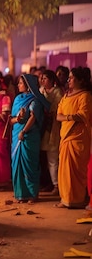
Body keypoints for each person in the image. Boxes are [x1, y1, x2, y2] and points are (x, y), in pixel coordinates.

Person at [55, 67, 92, 209]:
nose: (68, 80)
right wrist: (70, 117)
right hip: (65, 136)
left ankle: (78, 199)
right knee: (64, 170)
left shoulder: (85, 96)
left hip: (78, 137)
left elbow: (83, 115)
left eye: (71, 77)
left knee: (77, 170)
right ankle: (65, 199)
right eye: (69, 77)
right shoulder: (66, 96)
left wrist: (67, 117)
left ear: (81, 80)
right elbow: (58, 115)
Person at [10, 74, 49, 204]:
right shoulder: (17, 99)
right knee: (17, 164)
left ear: (28, 85)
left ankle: (32, 194)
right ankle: (21, 194)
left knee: (29, 164)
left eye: (21, 83)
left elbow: (33, 117)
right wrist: (19, 119)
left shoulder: (35, 100)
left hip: (29, 135)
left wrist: (24, 130)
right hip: (17, 135)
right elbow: (11, 120)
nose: (18, 85)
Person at [39, 70, 63, 195]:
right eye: (41, 78)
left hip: (52, 128)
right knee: (44, 159)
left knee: (52, 157)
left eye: (45, 78)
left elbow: (55, 109)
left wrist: (44, 102)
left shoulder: (57, 92)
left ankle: (57, 185)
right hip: (41, 128)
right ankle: (48, 182)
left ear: (52, 80)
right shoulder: (41, 91)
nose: (42, 81)